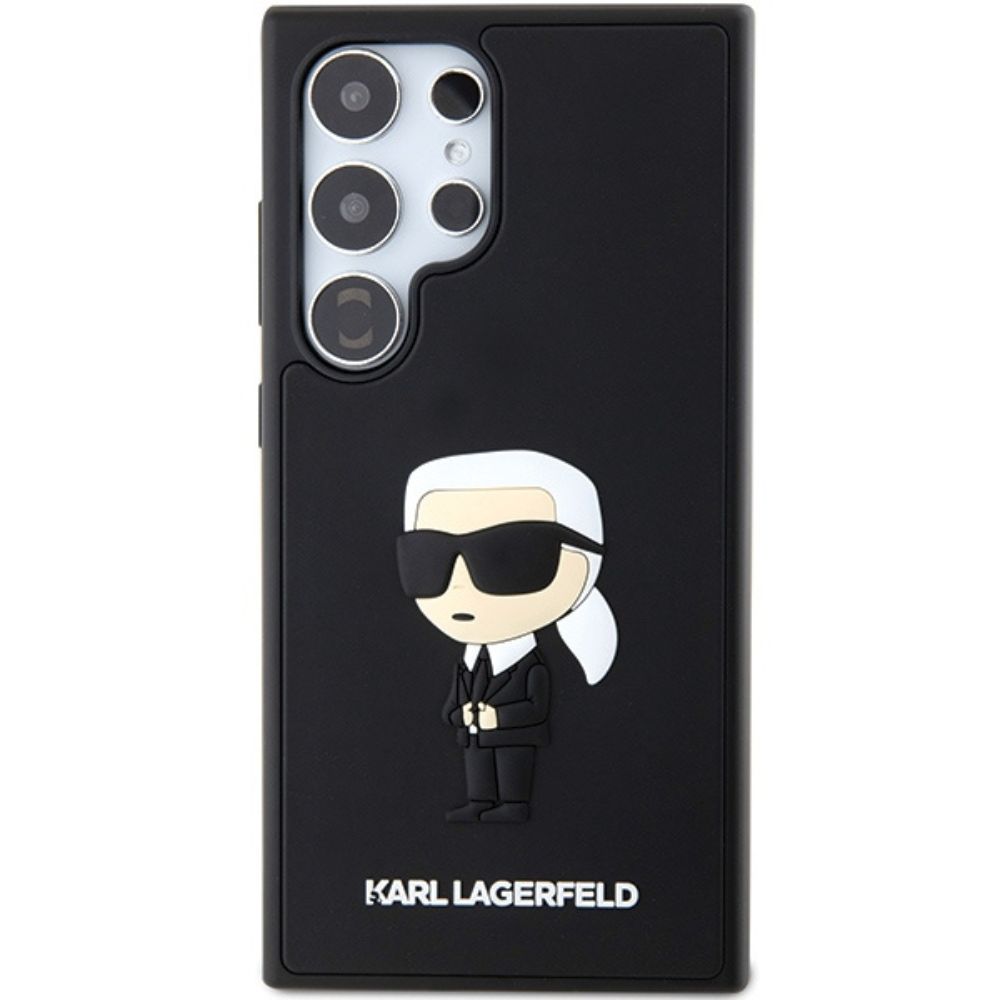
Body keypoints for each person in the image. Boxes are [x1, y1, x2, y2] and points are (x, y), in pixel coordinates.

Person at [397, 449, 617, 822]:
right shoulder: (467, 662)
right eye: (428, 558)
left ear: (583, 564)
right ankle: (480, 801)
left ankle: (514, 804)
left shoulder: (532, 666)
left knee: (513, 768)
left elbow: (535, 706)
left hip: (514, 738)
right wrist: (459, 714)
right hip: (474, 736)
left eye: (511, 557)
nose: (461, 583)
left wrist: (498, 718)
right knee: (478, 767)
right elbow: (451, 703)